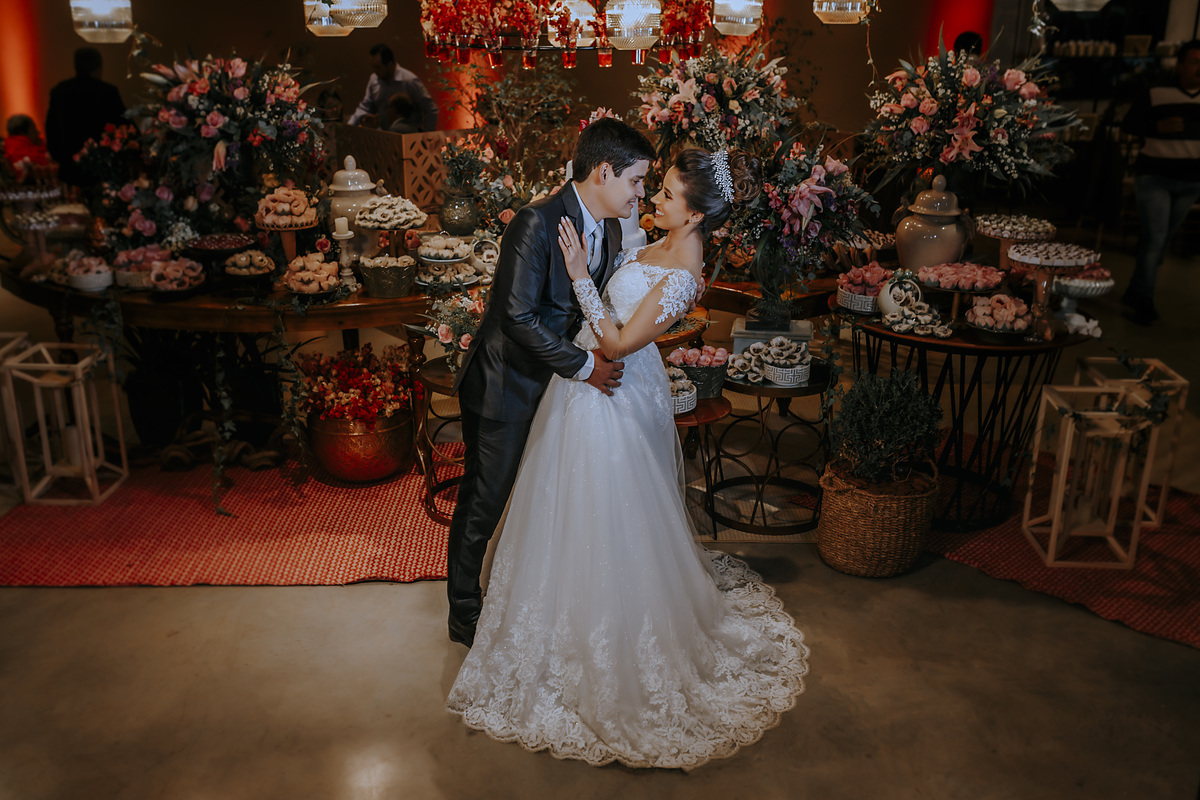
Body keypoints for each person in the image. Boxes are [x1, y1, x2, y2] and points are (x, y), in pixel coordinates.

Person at [446, 147, 809, 769]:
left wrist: (581, 273)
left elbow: (616, 340)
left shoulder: (684, 277)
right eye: (652, 186)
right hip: (582, 380)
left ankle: (612, 626)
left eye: (666, 194)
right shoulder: (645, 239)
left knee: (610, 504)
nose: (653, 200)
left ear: (693, 218)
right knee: (564, 501)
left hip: (612, 384)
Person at [444, 117, 646, 647]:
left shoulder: (616, 229)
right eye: (636, 181)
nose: (638, 193)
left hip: (557, 391)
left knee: (542, 502)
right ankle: (464, 612)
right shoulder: (536, 222)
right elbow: (517, 317)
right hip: (505, 386)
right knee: (485, 502)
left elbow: (587, 302)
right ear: (605, 171)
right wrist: (587, 368)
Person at [1120, 39, 1200, 326]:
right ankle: (1143, 300)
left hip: (1191, 180)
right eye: (1194, 62)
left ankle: (1135, 290)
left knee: (1162, 241)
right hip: (1154, 176)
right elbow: (1128, 125)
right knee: (1155, 239)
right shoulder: (1157, 92)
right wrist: (1155, 127)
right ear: (1180, 65)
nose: (1198, 68)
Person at [44, 47, 126, 185]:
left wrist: (59, 156)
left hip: (70, 164)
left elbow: (51, 128)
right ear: (98, 66)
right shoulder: (107, 91)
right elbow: (123, 124)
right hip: (104, 164)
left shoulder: (60, 91)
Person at [346, 43, 437, 131]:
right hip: (384, 135)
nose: (375, 71)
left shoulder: (409, 81)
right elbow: (365, 106)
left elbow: (431, 109)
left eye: (378, 67)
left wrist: (425, 137)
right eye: (373, 67)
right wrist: (350, 125)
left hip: (405, 134)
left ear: (389, 64)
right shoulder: (374, 80)